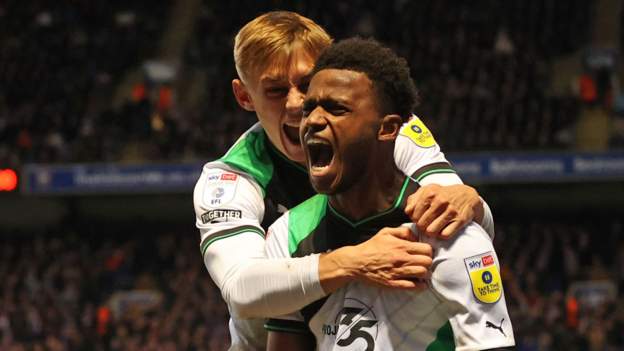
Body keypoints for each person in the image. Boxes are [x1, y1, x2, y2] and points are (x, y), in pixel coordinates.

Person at [193, 11, 495, 350]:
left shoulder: (387, 128)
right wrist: (356, 260)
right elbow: (241, 291)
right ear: (244, 96)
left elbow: (467, 221)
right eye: (276, 90)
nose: (297, 105)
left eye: (307, 85)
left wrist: (469, 201)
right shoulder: (230, 180)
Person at [264, 37, 515, 350]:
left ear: (387, 128)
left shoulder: (447, 234)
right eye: (309, 108)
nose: (313, 120)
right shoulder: (286, 235)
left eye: (336, 109)